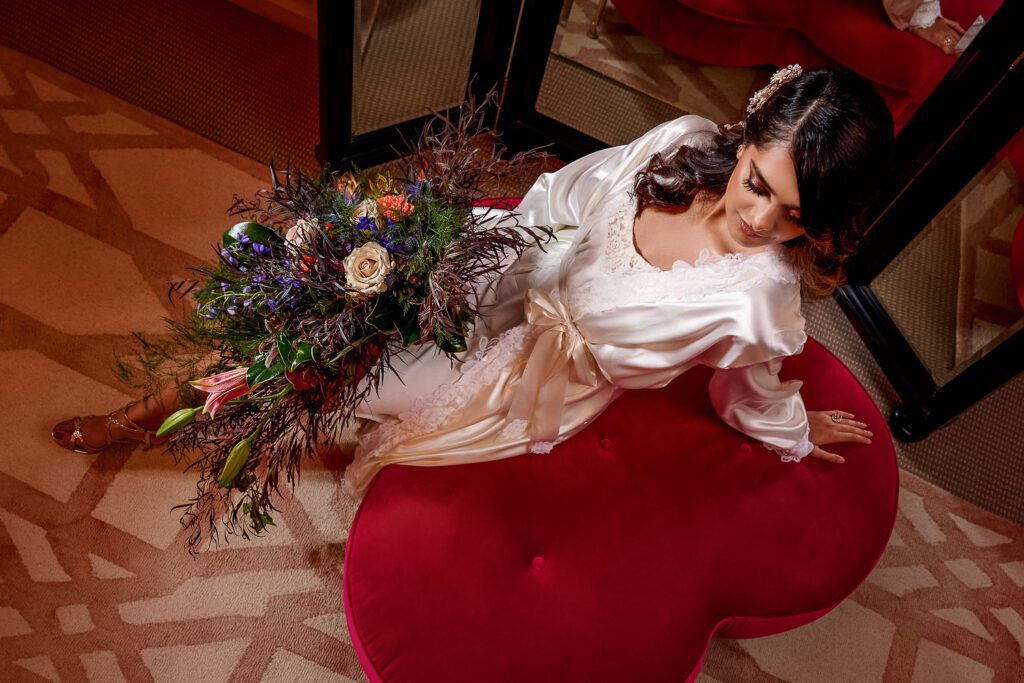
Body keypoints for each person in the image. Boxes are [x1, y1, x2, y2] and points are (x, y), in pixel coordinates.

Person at [52, 63, 893, 502]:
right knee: (317, 305)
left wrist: (790, 432)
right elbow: (564, 196)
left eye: (791, 216)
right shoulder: (679, 139)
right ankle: (155, 405)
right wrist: (455, 253)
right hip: (505, 261)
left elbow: (749, 387)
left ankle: (140, 419)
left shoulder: (760, 300)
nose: (759, 222)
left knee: (319, 370)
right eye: (757, 184)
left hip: (525, 370)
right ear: (745, 139)